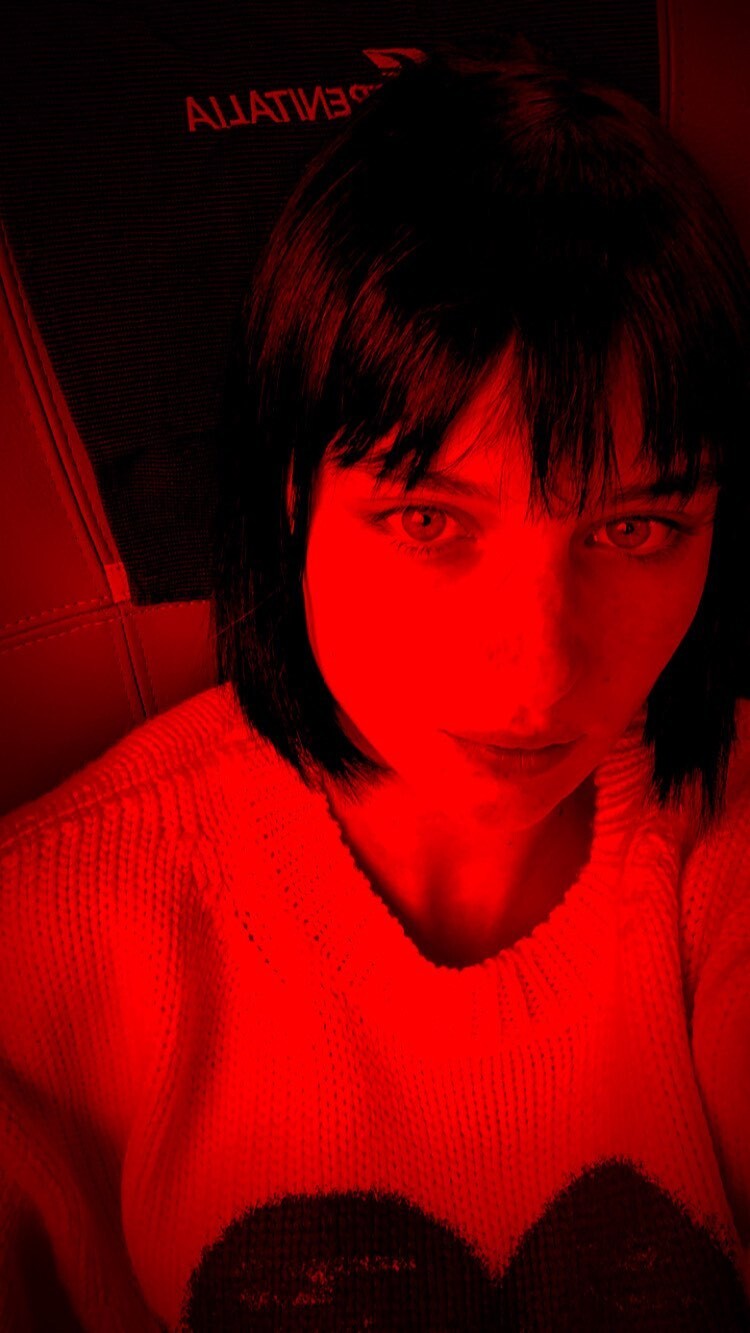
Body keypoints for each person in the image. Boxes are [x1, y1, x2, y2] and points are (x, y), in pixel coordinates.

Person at [1, 37, 749, 1331]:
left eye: (634, 528)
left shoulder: (724, 847)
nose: (538, 668)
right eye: (429, 521)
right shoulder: (42, 947)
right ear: (294, 493)